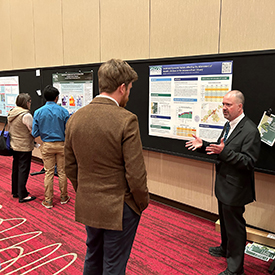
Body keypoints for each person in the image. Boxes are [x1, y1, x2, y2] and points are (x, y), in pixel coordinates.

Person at [64, 59, 149, 275]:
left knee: (93, 254)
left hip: (88, 203)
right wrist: (140, 203)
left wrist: (85, 192)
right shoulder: (126, 120)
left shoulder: (75, 119)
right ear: (122, 87)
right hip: (119, 208)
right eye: (129, 88)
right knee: (114, 263)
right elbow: (135, 173)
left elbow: (70, 167)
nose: (129, 93)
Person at [186, 90, 261, 275]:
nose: (224, 108)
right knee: (225, 222)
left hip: (236, 188)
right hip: (224, 185)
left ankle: (236, 269)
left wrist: (224, 152)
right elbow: (221, 148)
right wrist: (203, 145)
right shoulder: (229, 125)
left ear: (239, 107)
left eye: (228, 105)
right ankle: (225, 248)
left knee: (235, 228)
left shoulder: (250, 130)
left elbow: (249, 162)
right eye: (223, 104)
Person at [32, 85, 70, 209]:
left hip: (47, 145)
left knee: (48, 173)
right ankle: (64, 197)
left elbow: (34, 133)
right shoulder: (63, 111)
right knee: (62, 172)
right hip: (61, 145)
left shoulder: (38, 112)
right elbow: (68, 130)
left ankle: (48, 201)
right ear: (57, 98)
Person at [8, 93, 36, 203]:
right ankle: (23, 195)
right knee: (23, 170)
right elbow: (32, 131)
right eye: (29, 102)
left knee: (16, 168)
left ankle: (15, 191)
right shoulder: (26, 115)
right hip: (24, 146)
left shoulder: (12, 112)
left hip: (14, 144)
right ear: (27, 102)